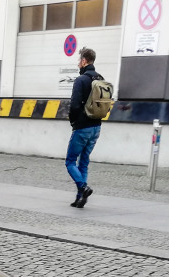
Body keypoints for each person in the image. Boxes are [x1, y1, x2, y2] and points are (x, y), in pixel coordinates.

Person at [65, 47, 103, 208]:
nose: (78, 63)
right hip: (96, 126)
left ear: (83, 61)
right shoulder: (100, 79)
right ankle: (81, 199)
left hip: (82, 127)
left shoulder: (81, 80)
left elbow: (74, 106)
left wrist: (74, 122)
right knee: (84, 162)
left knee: (70, 161)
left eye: (79, 60)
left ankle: (83, 187)